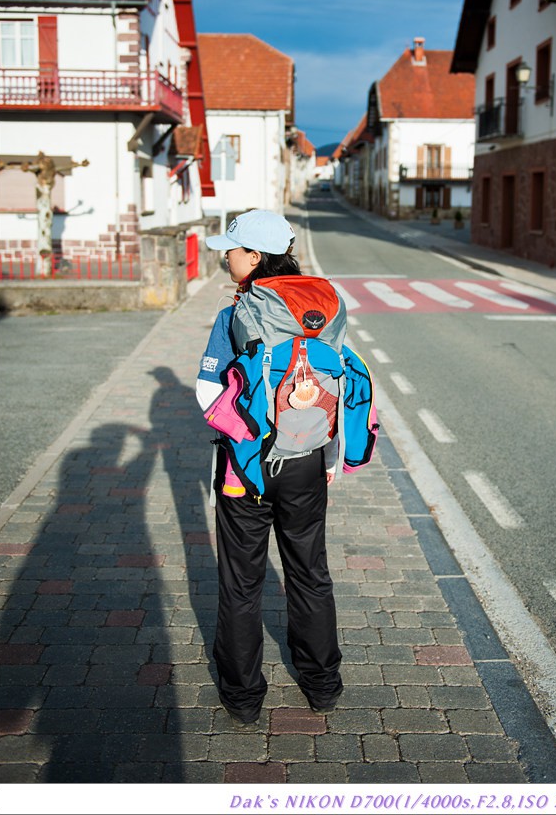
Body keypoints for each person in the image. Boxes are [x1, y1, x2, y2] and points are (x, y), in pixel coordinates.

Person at [196, 209, 343, 728]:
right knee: (310, 572)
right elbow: (336, 384)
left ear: (255, 256)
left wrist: (245, 443)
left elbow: (207, 393)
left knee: (241, 582)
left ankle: (243, 697)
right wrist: (329, 457)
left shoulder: (235, 313)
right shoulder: (324, 305)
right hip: (307, 459)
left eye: (231, 250)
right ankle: (322, 684)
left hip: (246, 468)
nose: (225, 257)